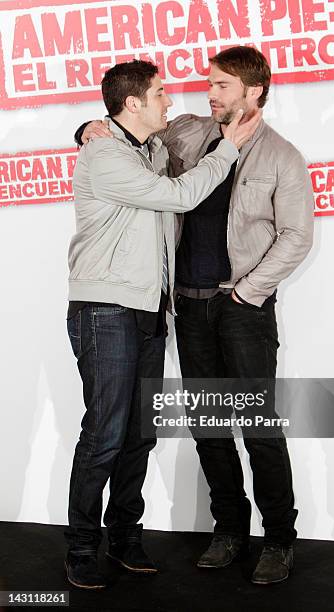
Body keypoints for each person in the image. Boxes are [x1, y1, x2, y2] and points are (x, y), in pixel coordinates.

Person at [77, 45, 314, 585]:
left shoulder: (283, 156)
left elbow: (298, 234)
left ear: (253, 91)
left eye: (222, 86)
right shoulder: (185, 131)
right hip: (187, 305)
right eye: (210, 84)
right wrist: (88, 123)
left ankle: (279, 537)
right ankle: (229, 529)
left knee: (257, 427)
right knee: (210, 427)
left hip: (242, 309)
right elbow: (128, 131)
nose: (209, 94)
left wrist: (248, 292)